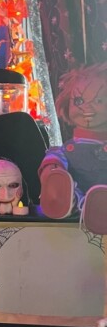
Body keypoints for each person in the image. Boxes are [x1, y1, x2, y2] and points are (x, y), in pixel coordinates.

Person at [38, 62, 107, 234]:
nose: (86, 107)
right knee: (54, 163)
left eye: (98, 100)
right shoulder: (66, 150)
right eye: (78, 101)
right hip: (75, 198)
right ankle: (64, 198)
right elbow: (55, 159)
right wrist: (53, 170)